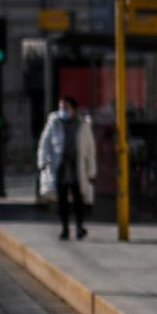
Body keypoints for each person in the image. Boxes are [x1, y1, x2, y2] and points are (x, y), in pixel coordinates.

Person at [37, 95, 95, 240]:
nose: (63, 110)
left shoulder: (82, 125)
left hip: (77, 167)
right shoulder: (53, 123)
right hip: (60, 167)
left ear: (74, 109)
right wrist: (42, 162)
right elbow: (44, 144)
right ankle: (64, 228)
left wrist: (92, 171)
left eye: (66, 107)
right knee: (62, 200)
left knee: (78, 199)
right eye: (61, 107)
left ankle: (80, 227)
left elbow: (90, 149)